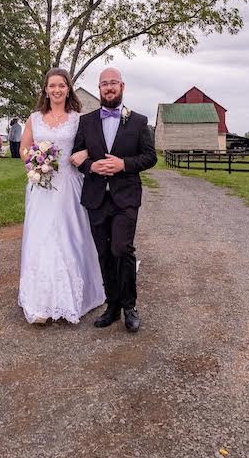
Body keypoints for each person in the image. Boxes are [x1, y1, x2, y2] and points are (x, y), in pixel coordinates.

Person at [71, 67, 157, 333]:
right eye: (104, 84)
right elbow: (76, 154)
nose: (109, 88)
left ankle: (130, 307)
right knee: (104, 253)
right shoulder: (86, 122)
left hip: (126, 197)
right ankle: (112, 306)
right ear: (99, 89)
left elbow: (150, 156)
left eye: (113, 83)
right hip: (96, 197)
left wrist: (123, 164)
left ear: (122, 87)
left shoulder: (139, 121)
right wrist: (90, 167)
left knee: (122, 249)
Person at [18, 68, 104, 324]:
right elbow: (24, 148)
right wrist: (33, 161)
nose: (56, 90)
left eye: (62, 85)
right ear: (45, 89)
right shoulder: (34, 118)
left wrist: (84, 154)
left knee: (69, 237)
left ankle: (71, 298)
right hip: (41, 187)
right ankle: (40, 302)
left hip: (69, 185)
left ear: (68, 89)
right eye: (52, 85)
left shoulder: (78, 119)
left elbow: (93, 146)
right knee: (41, 237)